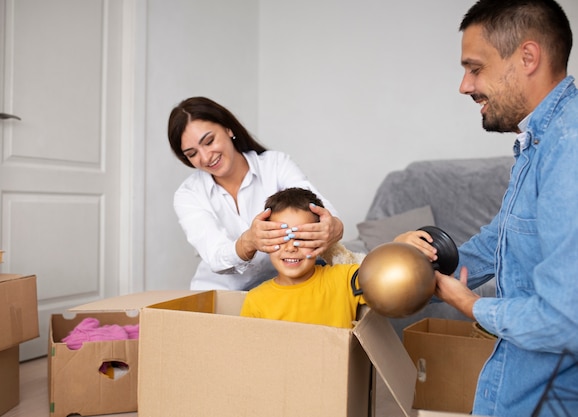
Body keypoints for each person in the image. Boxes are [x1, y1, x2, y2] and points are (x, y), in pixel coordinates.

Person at [410, 1, 578, 416]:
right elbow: (500, 240)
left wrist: (470, 305)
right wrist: (417, 265)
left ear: (527, 57)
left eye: (475, 68)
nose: (464, 85)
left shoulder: (569, 147)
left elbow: (564, 318)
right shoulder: (539, 141)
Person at [168, 97, 344, 290]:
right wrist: (248, 242)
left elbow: (320, 208)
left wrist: (333, 226)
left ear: (228, 129)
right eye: (192, 154)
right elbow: (214, 255)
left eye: (209, 141)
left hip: (283, 284)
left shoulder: (276, 165)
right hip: (222, 292)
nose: (205, 157)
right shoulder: (188, 194)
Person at [240, 187, 431, 329]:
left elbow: (387, 279)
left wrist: (399, 246)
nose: (291, 248)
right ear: (264, 241)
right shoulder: (256, 300)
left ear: (322, 240)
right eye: (281, 238)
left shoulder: (346, 279)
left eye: (303, 238)